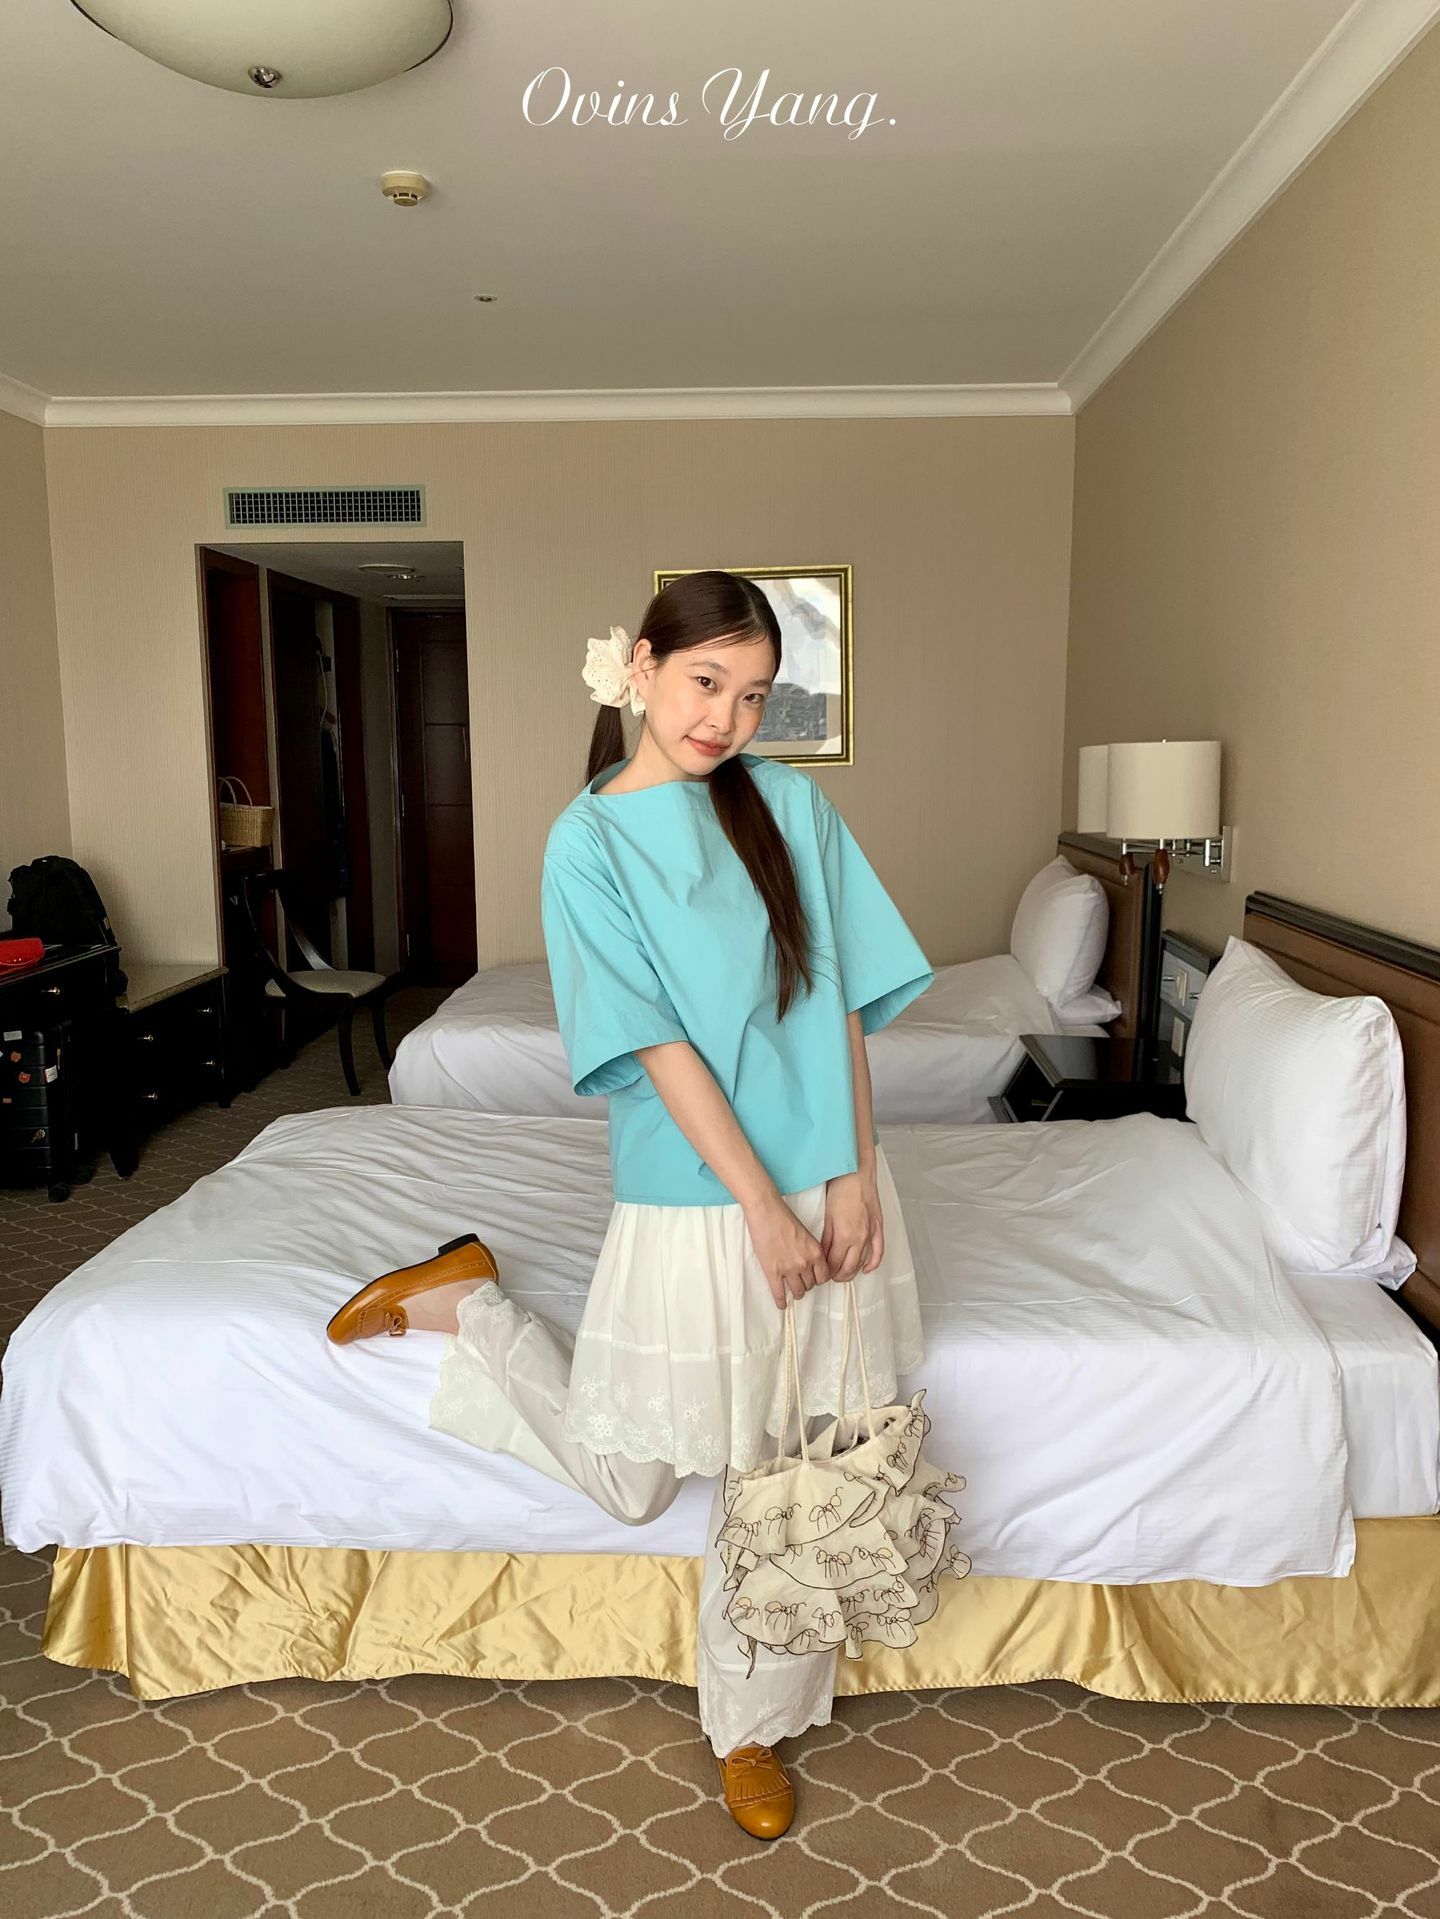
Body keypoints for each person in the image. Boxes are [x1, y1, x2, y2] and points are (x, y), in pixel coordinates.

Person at [326, 570, 933, 1840]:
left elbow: (836, 1001)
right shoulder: (587, 842)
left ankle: (752, 1725)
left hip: (824, 1175)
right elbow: (656, 1042)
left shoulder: (791, 806)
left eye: (753, 695)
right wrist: (761, 1204)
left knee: (796, 1462)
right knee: (637, 1479)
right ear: (642, 667)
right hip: (701, 1193)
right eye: (707, 681)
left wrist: (853, 1171)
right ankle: (472, 1306)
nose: (726, 716)